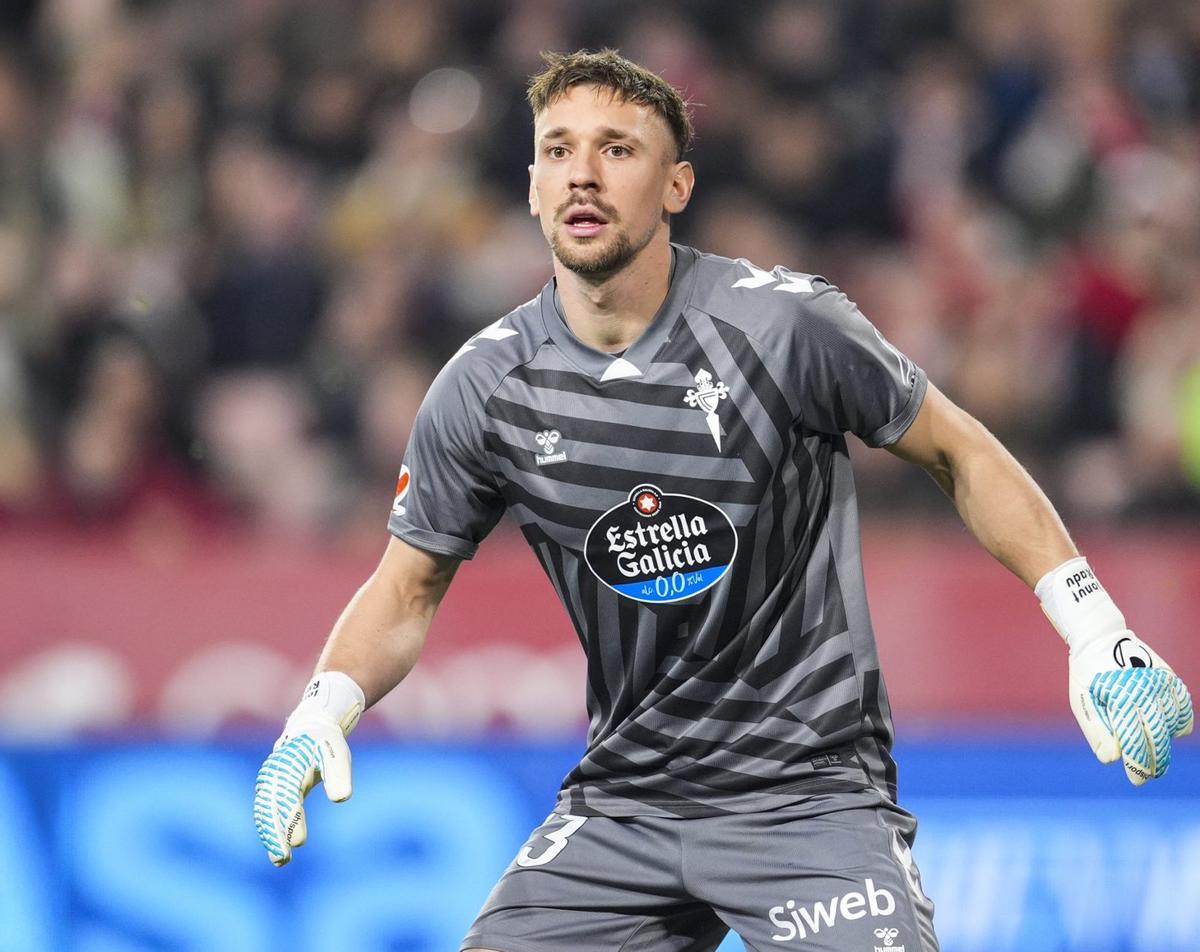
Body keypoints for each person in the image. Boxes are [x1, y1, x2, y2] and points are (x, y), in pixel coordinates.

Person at [253, 50, 1193, 951]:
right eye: (557, 150)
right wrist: (318, 714)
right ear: (532, 185)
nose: (582, 175)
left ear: (676, 187)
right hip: (624, 800)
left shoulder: (783, 324)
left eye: (617, 150)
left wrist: (1092, 626)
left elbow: (959, 452)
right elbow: (407, 587)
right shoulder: (484, 386)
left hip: (809, 793)